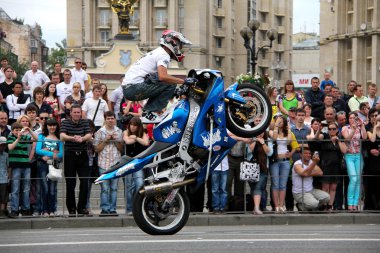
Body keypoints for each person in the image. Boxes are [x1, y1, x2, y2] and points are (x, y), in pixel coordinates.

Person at [121, 30, 193, 123]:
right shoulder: (163, 54)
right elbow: (163, 76)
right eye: (180, 45)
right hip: (133, 88)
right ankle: (149, 112)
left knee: (162, 82)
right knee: (170, 84)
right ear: (173, 43)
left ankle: (148, 113)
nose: (181, 48)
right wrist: (184, 81)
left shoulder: (158, 52)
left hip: (130, 88)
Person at [60, 104, 92, 216]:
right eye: (75, 112)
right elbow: (62, 136)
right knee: (70, 183)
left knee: (84, 182)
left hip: (83, 155)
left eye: (79, 112)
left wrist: (82, 138)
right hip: (70, 155)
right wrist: (74, 138)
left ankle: (81, 207)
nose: (77, 114)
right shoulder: (65, 122)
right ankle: (72, 209)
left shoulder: (85, 122)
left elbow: (89, 134)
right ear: (70, 113)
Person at [93, 111, 123, 216]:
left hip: (116, 163)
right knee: (105, 188)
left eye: (112, 118)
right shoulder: (100, 132)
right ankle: (105, 209)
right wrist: (105, 141)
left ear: (115, 119)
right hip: (103, 163)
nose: (110, 120)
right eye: (108, 118)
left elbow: (121, 149)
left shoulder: (119, 131)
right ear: (105, 119)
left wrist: (115, 140)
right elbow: (96, 149)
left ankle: (113, 209)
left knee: (114, 188)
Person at [7, 122, 38, 217]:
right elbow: (10, 147)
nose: (18, 132)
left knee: (26, 188)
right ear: (12, 131)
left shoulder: (25, 137)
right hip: (15, 165)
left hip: (26, 165)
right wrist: (18, 138)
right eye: (16, 130)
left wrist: (30, 130)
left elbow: (36, 139)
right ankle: (14, 209)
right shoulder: (11, 138)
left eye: (19, 130)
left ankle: (25, 208)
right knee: (15, 189)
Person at [35, 118, 63, 217]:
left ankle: (53, 210)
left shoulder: (59, 137)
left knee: (52, 189)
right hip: (42, 165)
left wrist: (46, 152)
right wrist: (52, 153)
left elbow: (61, 154)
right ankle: (44, 210)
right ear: (46, 126)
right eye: (50, 125)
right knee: (45, 188)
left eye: (54, 125)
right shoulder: (41, 136)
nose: (52, 127)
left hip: (54, 165)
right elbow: (38, 150)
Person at [123, 116, 150, 215]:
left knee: (139, 184)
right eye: (131, 125)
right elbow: (127, 141)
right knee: (129, 186)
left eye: (135, 125)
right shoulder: (126, 132)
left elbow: (146, 142)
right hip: (128, 162)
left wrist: (136, 137)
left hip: (138, 162)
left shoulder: (143, 133)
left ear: (139, 126)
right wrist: (136, 139)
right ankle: (129, 208)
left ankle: (137, 205)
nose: (132, 127)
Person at [341, 112, 367, 212]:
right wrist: (353, 129)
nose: (352, 120)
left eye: (354, 118)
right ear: (348, 119)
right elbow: (347, 139)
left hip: (358, 156)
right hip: (349, 156)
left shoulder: (359, 128)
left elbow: (364, 137)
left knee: (358, 180)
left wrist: (362, 125)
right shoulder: (345, 128)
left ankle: (355, 204)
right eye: (351, 118)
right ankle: (350, 204)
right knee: (354, 179)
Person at [318, 122, 347, 211]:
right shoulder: (325, 136)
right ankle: (324, 205)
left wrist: (338, 141)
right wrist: (319, 129)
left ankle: (330, 206)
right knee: (325, 187)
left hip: (336, 165)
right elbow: (318, 137)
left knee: (333, 187)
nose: (331, 130)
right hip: (326, 164)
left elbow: (344, 150)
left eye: (334, 129)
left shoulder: (340, 138)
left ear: (337, 130)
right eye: (330, 129)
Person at [269, 115, 294, 213]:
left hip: (285, 161)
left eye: (281, 121)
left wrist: (289, 127)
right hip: (275, 161)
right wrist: (275, 126)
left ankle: (282, 205)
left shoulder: (287, 132)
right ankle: (276, 206)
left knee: (283, 185)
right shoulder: (272, 131)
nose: (279, 122)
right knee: (275, 184)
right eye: (278, 121)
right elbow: (274, 138)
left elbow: (289, 141)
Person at [247, 131, 272, 215]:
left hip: (263, 167)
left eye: (262, 132)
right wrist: (254, 140)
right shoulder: (251, 139)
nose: (260, 134)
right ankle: (255, 207)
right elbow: (248, 151)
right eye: (258, 132)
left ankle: (257, 208)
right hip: (251, 167)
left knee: (258, 187)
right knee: (254, 188)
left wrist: (263, 143)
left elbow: (270, 153)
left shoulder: (267, 140)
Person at [366, 115, 380, 210]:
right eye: (378, 120)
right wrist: (375, 127)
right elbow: (373, 139)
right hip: (373, 162)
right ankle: (372, 206)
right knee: (372, 185)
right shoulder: (370, 131)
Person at [0, 136, 9, 218]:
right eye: (1, 145)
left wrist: (8, 177)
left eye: (4, 145)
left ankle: (2, 211)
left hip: (4, 178)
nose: (2, 147)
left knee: (4, 196)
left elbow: (8, 166)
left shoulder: (6, 155)